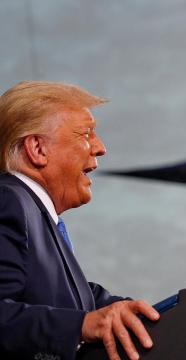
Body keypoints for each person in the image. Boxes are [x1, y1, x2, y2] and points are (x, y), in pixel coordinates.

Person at [0, 81, 159, 360]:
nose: (100, 148)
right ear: (37, 148)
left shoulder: (37, 217)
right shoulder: (9, 200)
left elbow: (79, 298)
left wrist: (138, 314)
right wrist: (82, 326)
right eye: (86, 133)